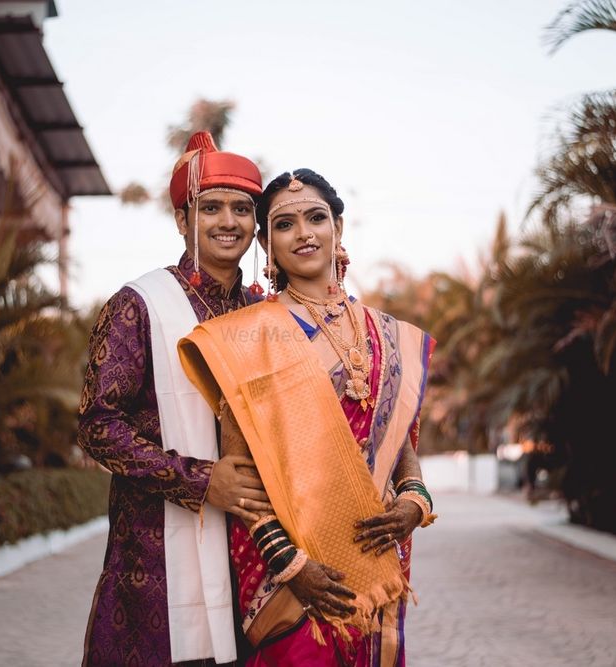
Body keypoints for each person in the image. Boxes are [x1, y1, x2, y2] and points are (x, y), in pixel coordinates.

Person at [178, 168, 437, 665]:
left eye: (316, 217)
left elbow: (401, 447)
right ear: (267, 244)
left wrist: (414, 504)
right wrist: (292, 565)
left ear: (338, 229)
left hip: (378, 561)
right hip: (291, 574)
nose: (304, 233)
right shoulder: (245, 335)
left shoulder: (386, 333)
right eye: (284, 223)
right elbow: (244, 476)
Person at [78, 132, 273, 666]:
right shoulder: (138, 304)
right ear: (183, 219)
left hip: (250, 551)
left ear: (256, 225)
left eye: (242, 209)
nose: (228, 222)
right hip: (153, 555)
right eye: (210, 208)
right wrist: (204, 480)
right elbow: (98, 424)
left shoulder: (266, 315)